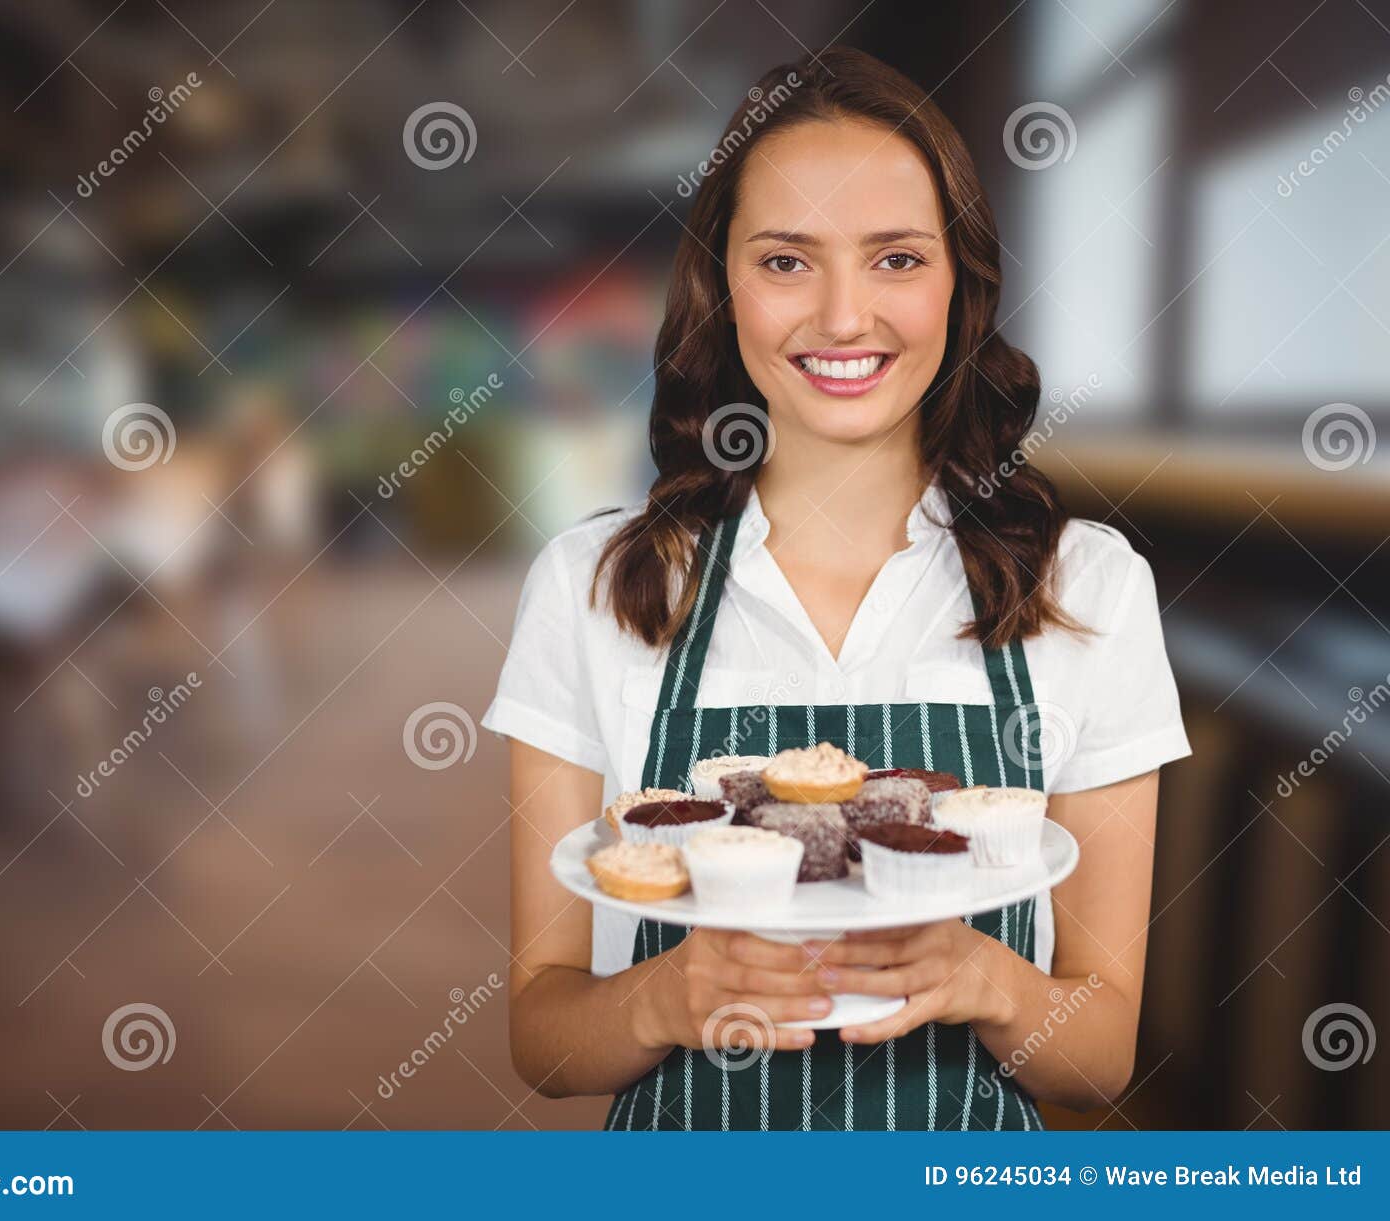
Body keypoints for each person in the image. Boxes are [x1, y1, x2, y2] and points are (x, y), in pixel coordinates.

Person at [481, 46, 1190, 1131]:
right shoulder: (594, 585)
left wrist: (983, 979)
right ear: (721, 286)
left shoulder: (1085, 587)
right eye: (785, 261)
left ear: (962, 284)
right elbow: (545, 1039)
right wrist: (667, 996)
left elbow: (1094, 1062)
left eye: (897, 258)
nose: (844, 316)